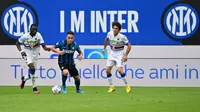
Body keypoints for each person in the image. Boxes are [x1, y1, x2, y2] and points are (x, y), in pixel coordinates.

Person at [16, 24, 50, 94]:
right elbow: (17, 43)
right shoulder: (25, 36)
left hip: (35, 54)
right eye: (33, 29)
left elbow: (43, 46)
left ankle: (24, 78)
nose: (34, 31)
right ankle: (34, 88)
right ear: (30, 29)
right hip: (27, 52)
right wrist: (21, 51)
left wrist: (48, 49)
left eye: (36, 30)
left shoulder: (38, 35)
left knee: (32, 72)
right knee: (32, 68)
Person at [102, 22, 132, 93]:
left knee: (120, 71)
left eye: (116, 28)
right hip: (112, 53)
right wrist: (104, 48)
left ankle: (127, 85)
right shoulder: (109, 33)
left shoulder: (122, 37)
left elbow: (129, 46)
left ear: (119, 30)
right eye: (113, 28)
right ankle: (111, 87)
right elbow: (106, 39)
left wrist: (125, 55)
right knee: (107, 71)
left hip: (119, 54)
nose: (114, 30)